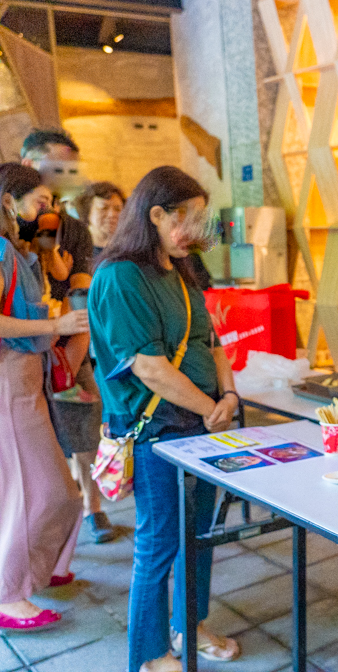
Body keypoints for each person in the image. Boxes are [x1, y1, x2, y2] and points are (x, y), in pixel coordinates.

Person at [89, 166, 241, 672]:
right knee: (158, 545)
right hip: (158, 430)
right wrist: (211, 406)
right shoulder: (119, 276)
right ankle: (150, 655)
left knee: (198, 536)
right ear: (156, 215)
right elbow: (149, 368)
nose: (199, 231)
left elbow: (212, 340)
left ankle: (189, 624)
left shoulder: (183, 270)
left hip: (203, 426)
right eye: (189, 218)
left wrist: (230, 395)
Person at [0, 163, 89, 631]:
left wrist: (51, 258)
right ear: (9, 201)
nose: (50, 211)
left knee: (50, 490)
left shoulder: (20, 252)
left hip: (26, 381)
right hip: (9, 384)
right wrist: (54, 325)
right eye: (42, 201)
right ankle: (8, 594)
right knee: (41, 491)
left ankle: (46, 567)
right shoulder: (0, 251)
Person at [23, 130, 117, 543]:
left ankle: (91, 508)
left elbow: (77, 287)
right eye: (56, 165)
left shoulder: (72, 230)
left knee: (84, 428)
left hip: (65, 346)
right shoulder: (13, 229)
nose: (65, 176)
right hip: (20, 347)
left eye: (71, 168)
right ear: (28, 164)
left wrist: (73, 356)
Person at [74, 181, 125, 258]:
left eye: (117, 209)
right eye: (103, 208)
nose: (112, 214)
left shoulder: (127, 251)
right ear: (87, 212)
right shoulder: (76, 250)